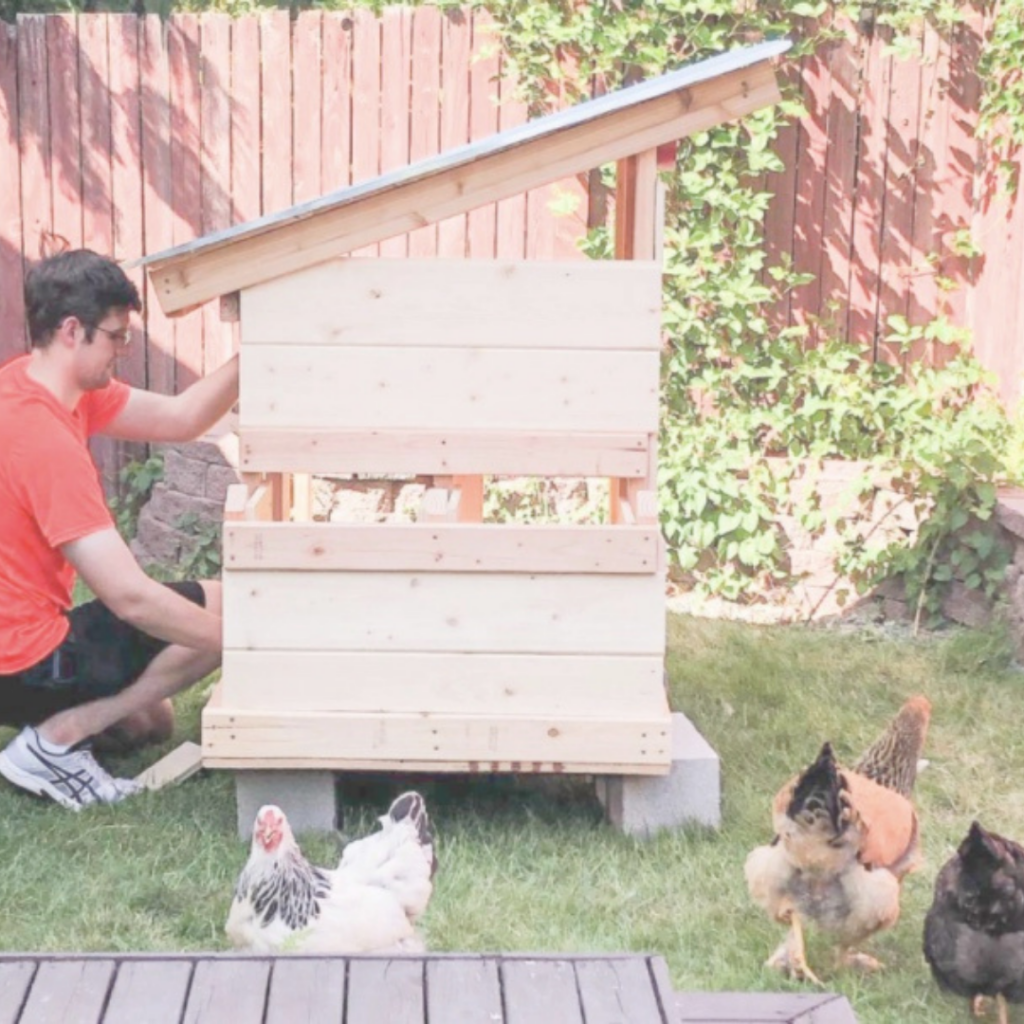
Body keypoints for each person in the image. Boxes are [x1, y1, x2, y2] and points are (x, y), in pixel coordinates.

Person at [0, 249, 239, 810]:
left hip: (19, 643)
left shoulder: (37, 384)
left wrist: (255, 357)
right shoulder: (41, 439)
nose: (122, 352)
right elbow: (131, 598)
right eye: (116, 337)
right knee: (220, 622)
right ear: (71, 331)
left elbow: (183, 419)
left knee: (149, 722)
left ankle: (64, 725)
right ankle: (52, 745)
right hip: (22, 657)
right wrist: (245, 647)